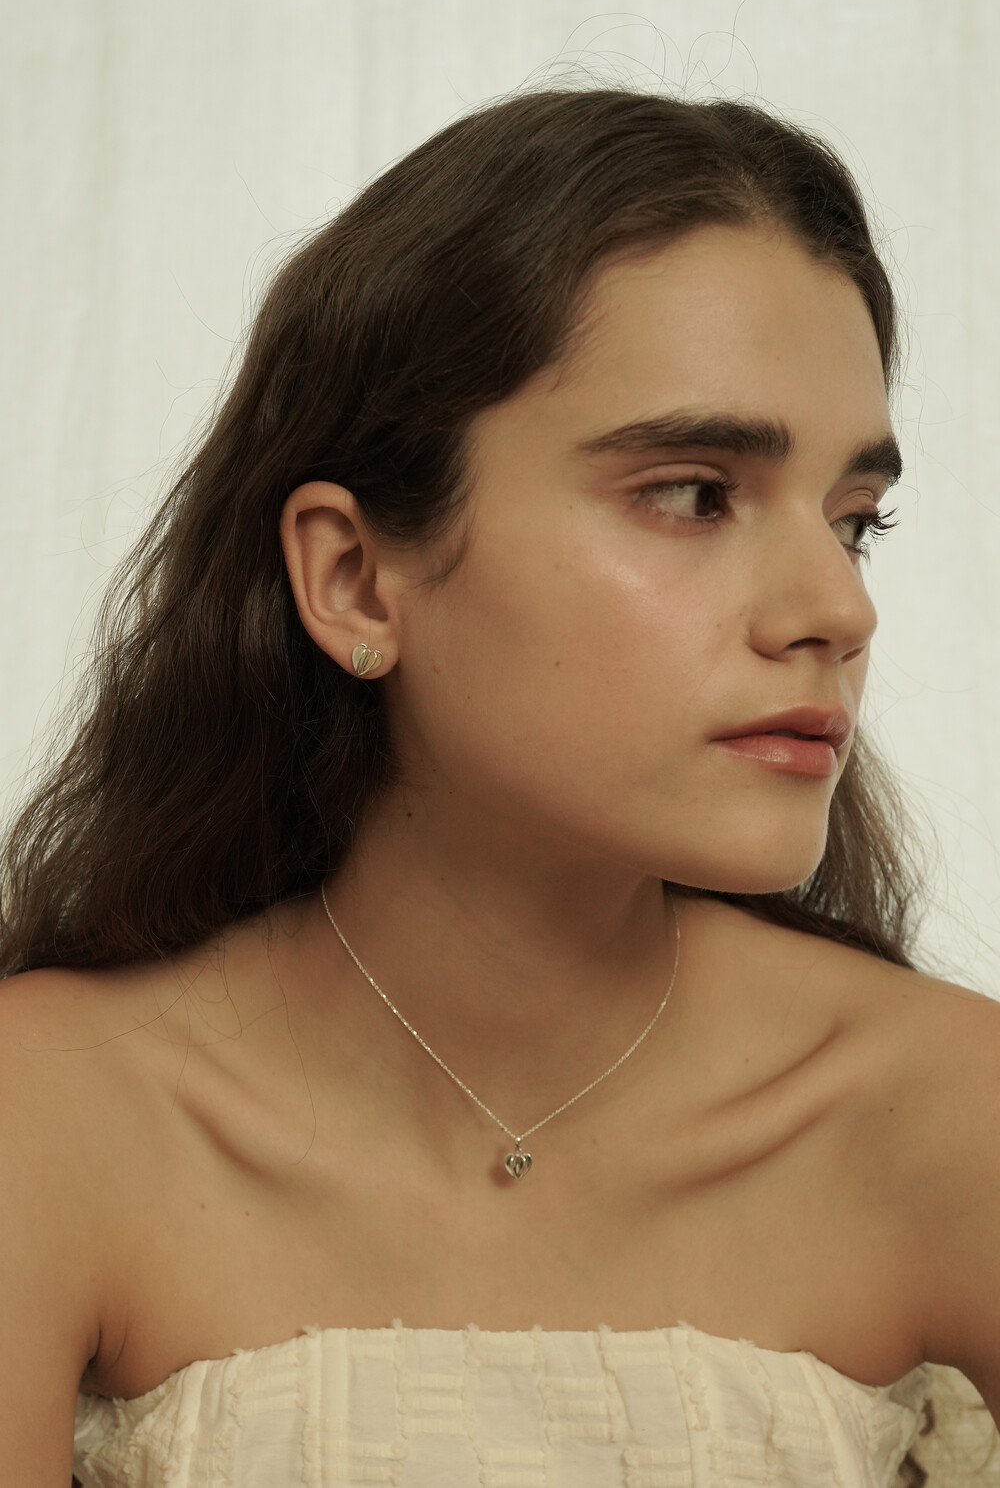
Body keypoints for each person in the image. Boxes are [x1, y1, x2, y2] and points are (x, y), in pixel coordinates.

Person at [2, 85, 998, 1488]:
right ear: (356, 578)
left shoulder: (952, 1113)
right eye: (694, 494)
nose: (838, 608)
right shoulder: (50, 1113)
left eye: (855, 522)